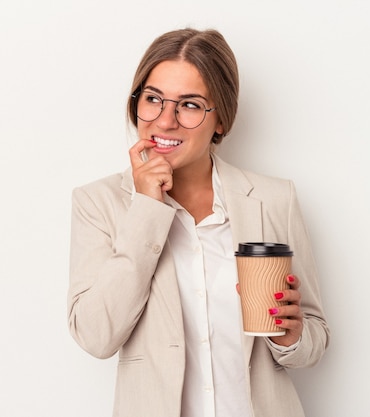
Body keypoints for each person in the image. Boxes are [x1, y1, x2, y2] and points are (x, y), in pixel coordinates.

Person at [67, 27, 329, 417]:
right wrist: (147, 209)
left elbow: (315, 336)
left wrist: (292, 336)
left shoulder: (274, 200)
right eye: (153, 99)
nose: (165, 120)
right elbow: (95, 337)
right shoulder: (98, 203)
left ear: (220, 119)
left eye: (189, 105)